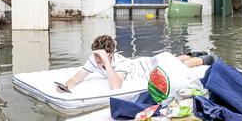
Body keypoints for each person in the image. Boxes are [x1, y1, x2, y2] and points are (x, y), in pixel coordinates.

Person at [58, 35, 215, 92]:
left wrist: (106, 61)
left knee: (180, 66)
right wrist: (67, 86)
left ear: (110, 55)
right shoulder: (95, 58)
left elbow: (115, 86)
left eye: (100, 57)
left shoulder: (119, 64)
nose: (96, 60)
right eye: (95, 55)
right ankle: (189, 54)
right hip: (143, 62)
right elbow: (77, 77)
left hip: (150, 67)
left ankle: (202, 59)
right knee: (174, 60)